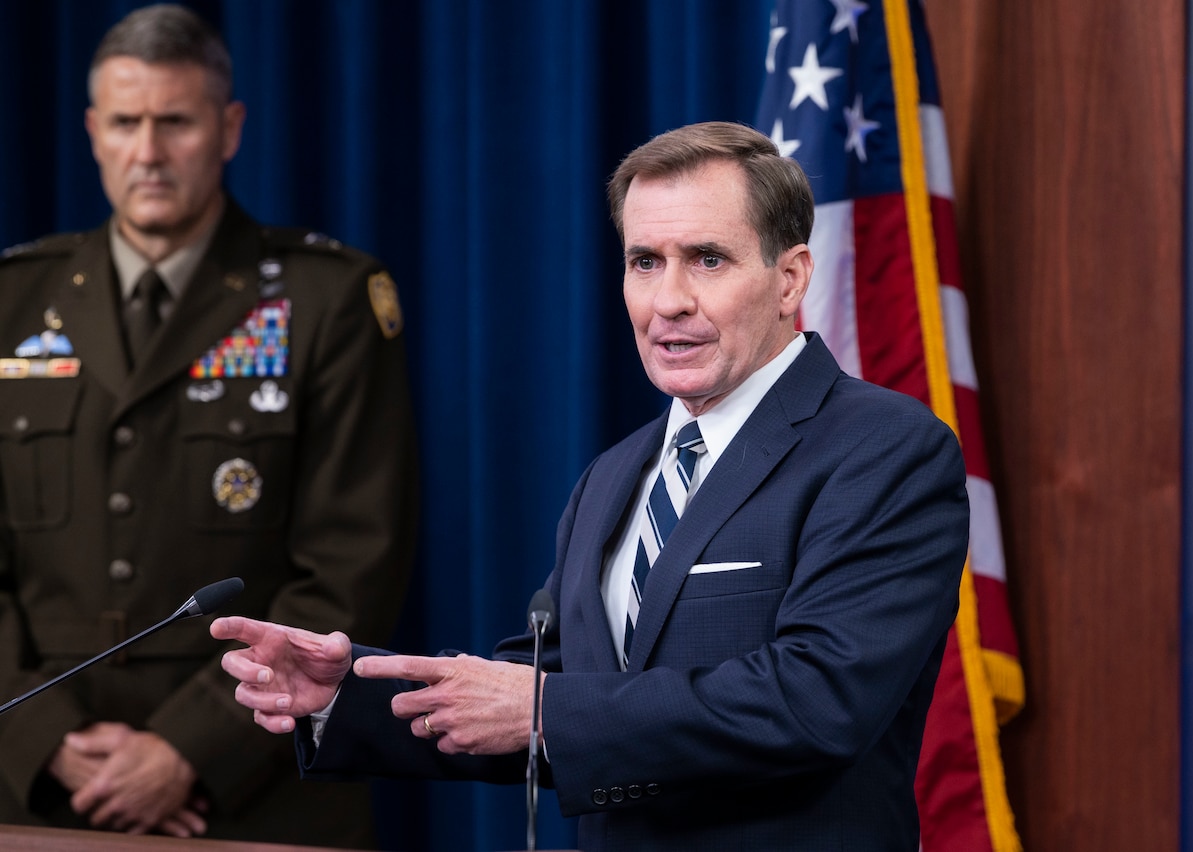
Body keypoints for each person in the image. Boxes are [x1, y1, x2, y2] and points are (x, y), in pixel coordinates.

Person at [215, 121, 967, 850]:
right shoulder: (613, 476)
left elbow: (818, 700)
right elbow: (551, 694)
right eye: (645, 261)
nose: (668, 300)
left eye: (706, 259)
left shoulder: (885, 449)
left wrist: (543, 708)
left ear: (790, 278)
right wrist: (348, 696)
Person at [0, 5, 416, 846]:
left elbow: (351, 568)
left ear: (228, 129)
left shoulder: (325, 300)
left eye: (175, 122)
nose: (147, 153)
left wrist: (187, 749)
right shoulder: (12, 300)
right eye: (125, 122)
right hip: (39, 786)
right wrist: (46, 740)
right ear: (91, 131)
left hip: (254, 783)